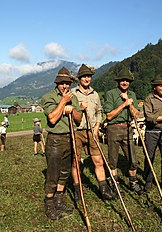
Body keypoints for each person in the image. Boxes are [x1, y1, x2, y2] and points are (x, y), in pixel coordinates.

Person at [41, 67, 82, 220]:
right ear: (57, 83)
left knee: (65, 172)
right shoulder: (48, 97)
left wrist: (73, 110)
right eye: (62, 83)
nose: (65, 86)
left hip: (70, 137)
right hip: (55, 140)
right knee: (53, 173)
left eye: (67, 83)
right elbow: (52, 118)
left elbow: (79, 119)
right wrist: (63, 102)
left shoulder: (74, 97)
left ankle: (59, 198)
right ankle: (49, 202)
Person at [71, 64, 115, 201]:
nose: (86, 78)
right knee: (75, 161)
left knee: (98, 160)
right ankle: (78, 189)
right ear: (79, 78)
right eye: (84, 76)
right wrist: (79, 107)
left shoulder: (95, 94)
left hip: (91, 131)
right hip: (77, 131)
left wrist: (97, 126)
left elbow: (99, 111)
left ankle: (103, 189)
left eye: (89, 76)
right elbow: (68, 109)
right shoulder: (72, 93)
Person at [103, 67, 143, 195]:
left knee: (132, 158)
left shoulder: (132, 95)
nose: (125, 82)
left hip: (127, 128)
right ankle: (115, 184)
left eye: (127, 81)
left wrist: (129, 103)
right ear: (118, 81)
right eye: (122, 80)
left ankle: (133, 182)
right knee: (113, 159)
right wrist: (123, 104)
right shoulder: (111, 94)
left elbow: (136, 115)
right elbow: (109, 116)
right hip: (113, 128)